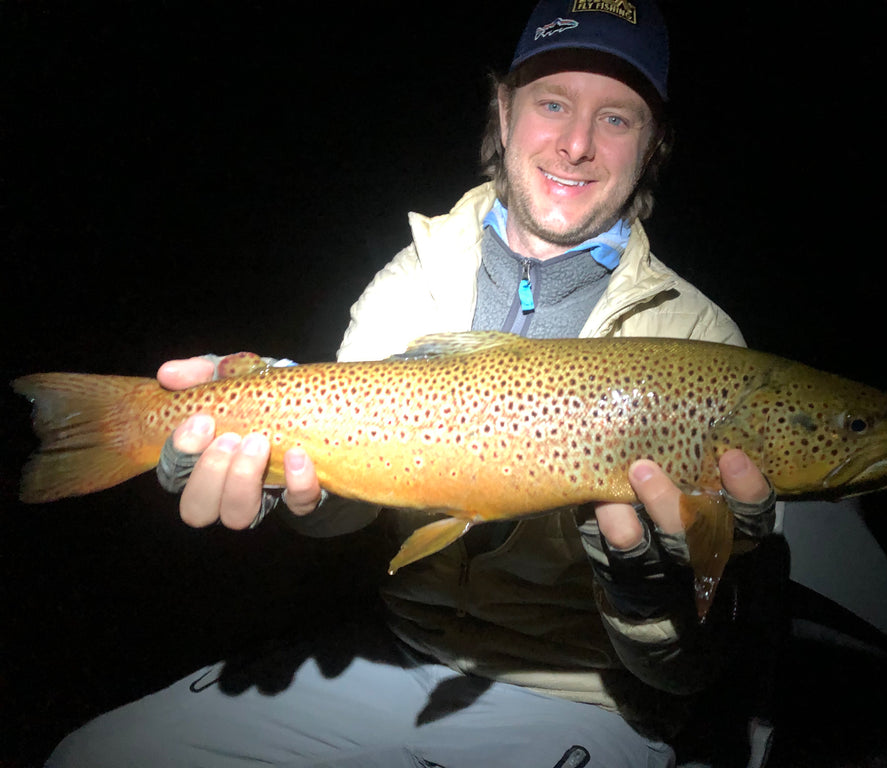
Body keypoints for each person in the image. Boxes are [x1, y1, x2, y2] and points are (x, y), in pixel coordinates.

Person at [47, 2, 777, 766]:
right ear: (503, 110)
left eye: (618, 119)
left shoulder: (702, 341)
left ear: (653, 141)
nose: (576, 143)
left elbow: (689, 669)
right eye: (552, 103)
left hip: (583, 696)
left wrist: (646, 592)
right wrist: (288, 481)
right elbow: (344, 509)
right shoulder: (414, 272)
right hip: (388, 659)